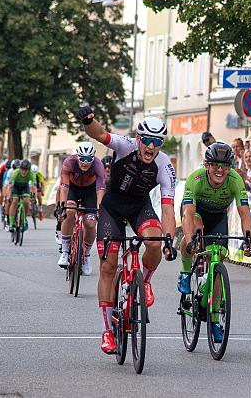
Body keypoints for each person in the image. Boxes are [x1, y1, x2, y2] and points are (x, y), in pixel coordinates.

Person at [77, 106, 177, 355]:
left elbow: (167, 209)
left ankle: (145, 281)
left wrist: (169, 241)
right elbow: (100, 135)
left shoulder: (165, 165)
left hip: (139, 208)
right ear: (139, 139)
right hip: (112, 207)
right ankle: (107, 331)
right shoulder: (125, 146)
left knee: (154, 242)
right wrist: (89, 120)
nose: (151, 147)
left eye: (157, 142)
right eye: (147, 141)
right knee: (109, 266)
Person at [178, 142, 251, 343]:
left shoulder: (236, 180)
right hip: (195, 212)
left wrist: (248, 239)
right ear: (207, 165)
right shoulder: (196, 179)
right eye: (215, 165)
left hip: (219, 217)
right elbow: (187, 213)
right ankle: (185, 273)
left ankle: (214, 320)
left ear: (230, 167)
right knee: (191, 235)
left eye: (225, 166)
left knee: (217, 258)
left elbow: (244, 212)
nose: (220, 170)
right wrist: (191, 239)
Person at [56, 142, 106, 275]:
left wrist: (99, 209)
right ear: (77, 157)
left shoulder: (98, 165)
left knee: (90, 223)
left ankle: (87, 255)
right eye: (82, 158)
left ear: (93, 158)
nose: (85, 162)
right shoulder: (69, 162)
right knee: (70, 211)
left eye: (89, 159)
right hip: (73, 189)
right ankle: (65, 251)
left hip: (90, 192)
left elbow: (100, 189)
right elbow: (64, 186)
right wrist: (62, 206)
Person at [8, 160, 37, 232]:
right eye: (22, 169)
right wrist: (9, 196)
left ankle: (24, 218)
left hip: (25, 187)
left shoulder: (31, 174)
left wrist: (34, 197)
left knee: (26, 202)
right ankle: (11, 224)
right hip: (16, 187)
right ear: (20, 168)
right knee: (14, 201)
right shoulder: (16, 172)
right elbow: (10, 186)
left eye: (26, 170)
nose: (23, 172)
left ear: (29, 170)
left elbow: (34, 187)